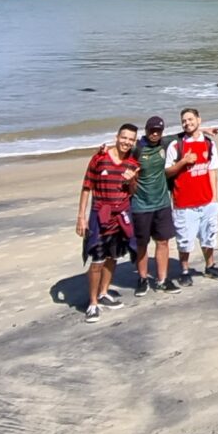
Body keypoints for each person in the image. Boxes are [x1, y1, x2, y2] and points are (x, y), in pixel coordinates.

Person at [75, 127, 138, 321]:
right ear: (117, 137)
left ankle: (103, 293)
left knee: (113, 257)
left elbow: (133, 192)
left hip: (121, 216)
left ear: (134, 142)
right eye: (124, 137)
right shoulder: (99, 158)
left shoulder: (132, 163)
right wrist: (81, 217)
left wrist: (132, 180)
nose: (126, 142)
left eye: (130, 139)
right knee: (97, 260)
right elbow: (86, 188)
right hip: (100, 216)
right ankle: (92, 303)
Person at [166, 107, 218, 284]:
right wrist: (183, 161)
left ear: (199, 120)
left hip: (207, 201)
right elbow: (167, 172)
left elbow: (212, 171)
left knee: (209, 236)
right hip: (183, 203)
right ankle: (184, 270)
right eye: (184, 121)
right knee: (184, 240)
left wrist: (214, 198)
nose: (187, 123)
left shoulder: (209, 144)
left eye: (190, 119)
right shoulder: (176, 145)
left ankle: (210, 266)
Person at [128, 115, 182, 292]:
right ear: (146, 130)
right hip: (140, 205)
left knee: (163, 242)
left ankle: (162, 279)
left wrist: (205, 131)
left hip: (162, 204)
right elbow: (119, 152)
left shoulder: (164, 144)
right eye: (152, 130)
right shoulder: (137, 148)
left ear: (162, 132)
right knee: (142, 244)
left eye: (158, 130)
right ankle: (142, 279)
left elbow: (184, 134)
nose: (155, 133)